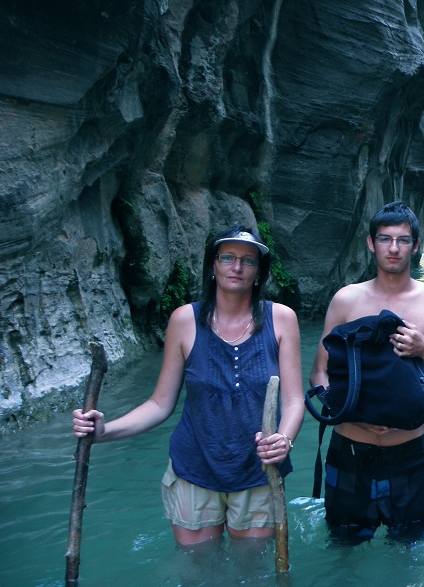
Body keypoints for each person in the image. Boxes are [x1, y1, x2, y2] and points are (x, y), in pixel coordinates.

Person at [71, 226, 303, 547]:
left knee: (251, 572)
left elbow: (293, 401)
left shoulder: (282, 319)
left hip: (258, 469)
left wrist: (284, 439)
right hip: (194, 467)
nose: (237, 267)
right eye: (227, 258)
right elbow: (159, 404)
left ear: (259, 273)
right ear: (213, 266)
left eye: (248, 261)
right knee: (197, 572)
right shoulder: (184, 320)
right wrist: (104, 431)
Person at [311, 201, 424, 541]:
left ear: (414, 245)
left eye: (402, 240)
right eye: (384, 239)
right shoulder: (346, 300)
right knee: (343, 545)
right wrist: (346, 413)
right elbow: (319, 374)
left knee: (412, 547)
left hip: (410, 450)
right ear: (371, 244)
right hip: (350, 446)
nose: (393, 248)